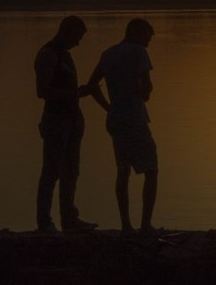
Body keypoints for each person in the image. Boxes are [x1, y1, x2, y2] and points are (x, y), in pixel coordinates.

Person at [86, 18, 160, 235]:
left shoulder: (107, 53)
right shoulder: (138, 52)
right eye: (147, 37)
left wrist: (108, 108)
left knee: (122, 171)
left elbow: (92, 86)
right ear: (137, 33)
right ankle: (146, 224)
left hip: (115, 119)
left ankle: (126, 225)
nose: (148, 43)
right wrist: (144, 93)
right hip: (135, 119)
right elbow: (147, 87)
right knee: (152, 170)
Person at [34, 15, 97, 233]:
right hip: (56, 120)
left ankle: (69, 219)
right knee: (51, 171)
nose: (79, 42)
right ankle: (44, 221)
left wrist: (78, 94)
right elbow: (43, 91)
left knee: (71, 171)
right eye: (78, 36)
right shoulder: (47, 54)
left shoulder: (66, 56)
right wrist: (75, 94)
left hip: (72, 119)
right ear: (68, 32)